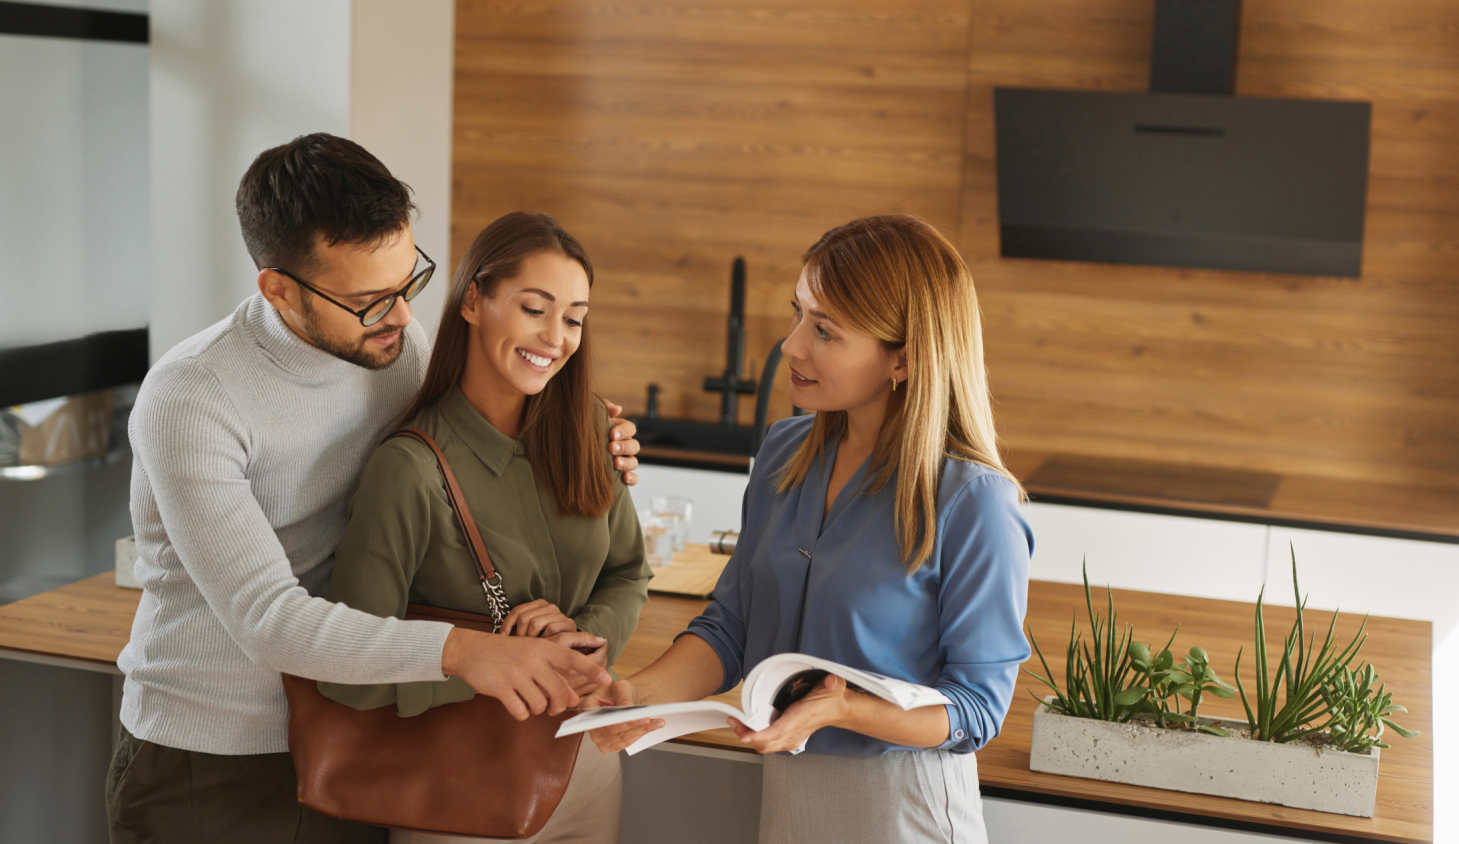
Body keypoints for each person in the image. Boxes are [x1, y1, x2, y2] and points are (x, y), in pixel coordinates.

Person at [108, 135, 644, 844]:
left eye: (408, 282)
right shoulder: (192, 398)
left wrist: (590, 431)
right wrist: (464, 652)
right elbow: (268, 618)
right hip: (215, 761)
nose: (399, 316)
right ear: (280, 289)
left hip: (365, 741)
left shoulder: (392, 347)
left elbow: (475, 443)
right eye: (368, 299)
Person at [583, 215, 1033, 843]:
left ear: (901, 357)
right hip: (789, 803)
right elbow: (730, 627)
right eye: (797, 313)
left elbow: (978, 710)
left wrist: (846, 707)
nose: (792, 345)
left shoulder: (975, 501)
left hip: (905, 812)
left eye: (824, 331)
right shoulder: (782, 452)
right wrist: (640, 694)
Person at [318, 212, 651, 844]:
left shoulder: (589, 432)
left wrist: (580, 639)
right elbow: (344, 669)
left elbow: (628, 572)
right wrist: (486, 663)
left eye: (574, 317)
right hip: (460, 792)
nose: (556, 337)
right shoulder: (408, 470)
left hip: (588, 769)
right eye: (535, 308)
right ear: (474, 300)